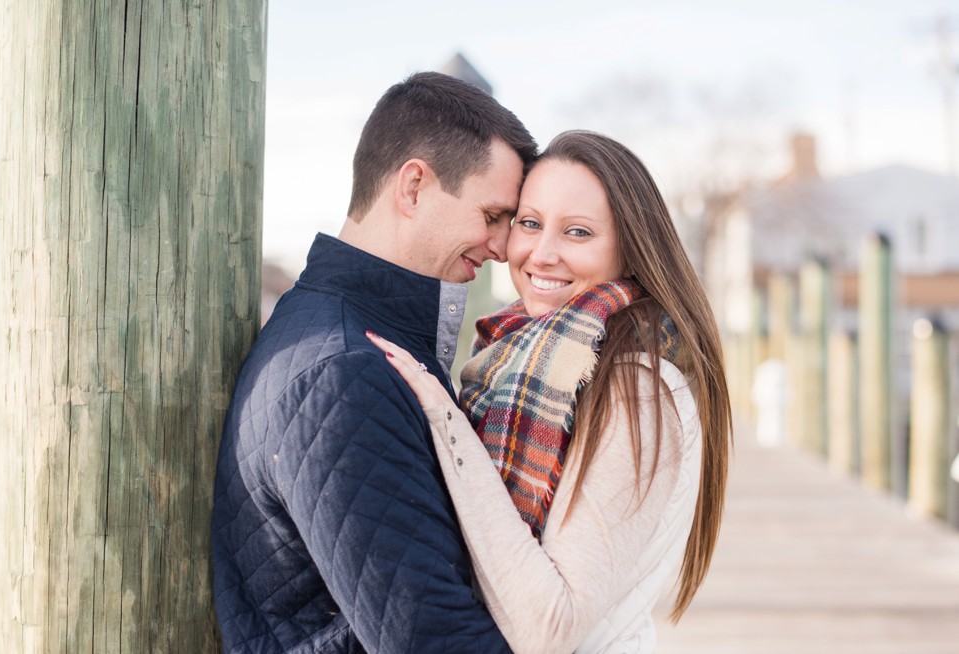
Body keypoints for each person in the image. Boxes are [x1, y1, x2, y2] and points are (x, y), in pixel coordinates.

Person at [368, 130, 732, 654]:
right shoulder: (521, 352)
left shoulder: (639, 388)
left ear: (631, 250)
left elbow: (550, 629)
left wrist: (446, 424)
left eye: (578, 233)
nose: (542, 254)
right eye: (530, 223)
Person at [211, 71, 538, 653]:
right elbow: (436, 641)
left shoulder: (357, 338)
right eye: (492, 215)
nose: (502, 246)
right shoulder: (343, 373)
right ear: (412, 186)